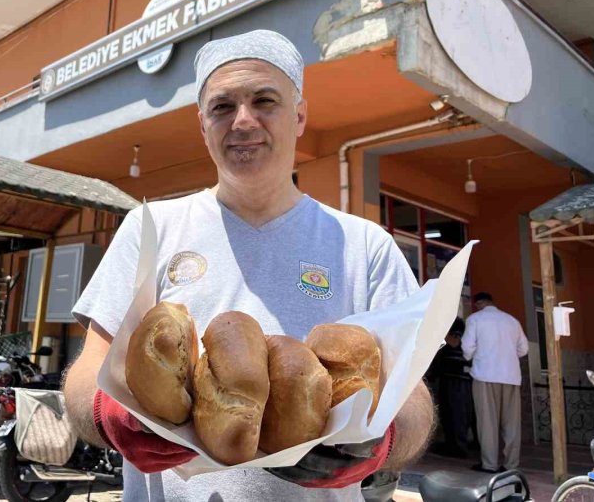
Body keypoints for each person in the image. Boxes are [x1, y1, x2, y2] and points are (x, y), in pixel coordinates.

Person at [64, 29, 435, 501]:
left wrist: (386, 442)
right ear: (202, 124)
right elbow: (85, 371)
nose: (243, 122)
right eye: (222, 107)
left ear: (299, 116)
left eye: (264, 101)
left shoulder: (365, 246)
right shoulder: (150, 228)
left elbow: (414, 397)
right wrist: (105, 415)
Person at [461, 292, 529, 473]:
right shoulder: (512, 321)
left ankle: (489, 465)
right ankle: (511, 465)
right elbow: (524, 349)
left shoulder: (475, 319)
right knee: (512, 424)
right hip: (511, 377)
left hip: (485, 375)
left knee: (487, 423)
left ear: (477, 304)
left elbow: (467, 348)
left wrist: (474, 356)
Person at [426, 317, 472, 458]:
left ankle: (459, 447)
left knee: (457, 412)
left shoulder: (456, 324)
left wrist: (439, 334)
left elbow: (454, 342)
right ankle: (451, 444)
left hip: (457, 377)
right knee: (448, 412)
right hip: (448, 375)